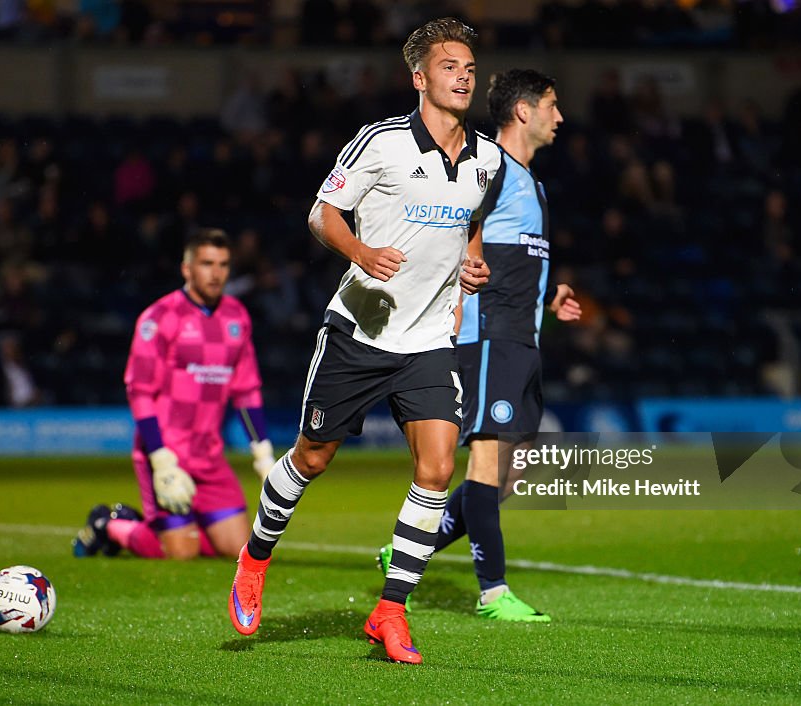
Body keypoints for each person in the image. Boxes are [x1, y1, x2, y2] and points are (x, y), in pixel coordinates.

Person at [227, 17, 501, 665]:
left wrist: (469, 282)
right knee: (312, 459)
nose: (463, 75)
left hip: (430, 342)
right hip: (359, 333)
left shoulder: (488, 158)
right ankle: (255, 557)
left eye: (469, 67)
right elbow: (321, 213)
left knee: (437, 470)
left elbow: (472, 229)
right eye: (449, 66)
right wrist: (361, 250)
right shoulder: (379, 142)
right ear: (419, 78)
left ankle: (389, 612)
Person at [380, 69, 582, 621]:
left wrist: (549, 298)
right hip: (485, 336)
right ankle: (493, 592)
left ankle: (405, 549)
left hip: (521, 338)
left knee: (506, 479)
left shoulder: (532, 182)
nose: (559, 117)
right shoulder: (489, 169)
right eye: (552, 104)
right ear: (523, 111)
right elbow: (447, 233)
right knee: (486, 467)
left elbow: (511, 259)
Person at [72, 229, 275, 560]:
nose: (216, 273)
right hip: (167, 451)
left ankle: (173, 529)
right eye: (207, 263)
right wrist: (160, 458)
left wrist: (263, 454)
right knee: (180, 552)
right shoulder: (159, 317)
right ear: (187, 269)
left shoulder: (236, 316)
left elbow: (246, 390)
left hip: (209, 455)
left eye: (223, 264)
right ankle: (109, 526)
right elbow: (139, 393)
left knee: (240, 551)